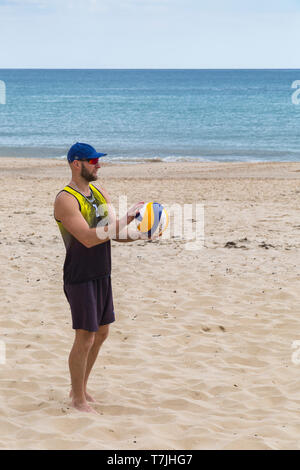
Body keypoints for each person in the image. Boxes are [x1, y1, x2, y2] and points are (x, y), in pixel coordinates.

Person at [54, 142, 145, 413]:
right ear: (76, 163)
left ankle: (78, 388)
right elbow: (87, 237)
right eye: (92, 161)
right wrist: (127, 218)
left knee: (102, 333)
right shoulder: (66, 199)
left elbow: (112, 232)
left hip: (102, 272)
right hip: (79, 275)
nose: (98, 165)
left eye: (98, 160)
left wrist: (142, 234)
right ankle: (77, 400)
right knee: (85, 336)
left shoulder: (98, 191)